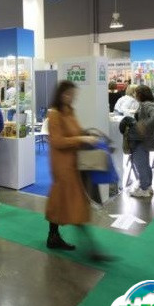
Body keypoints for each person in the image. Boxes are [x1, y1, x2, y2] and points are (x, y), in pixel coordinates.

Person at [44, 81, 108, 260]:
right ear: (61, 94)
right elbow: (57, 141)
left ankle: (53, 236)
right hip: (62, 165)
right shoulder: (54, 114)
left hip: (73, 163)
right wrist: (82, 139)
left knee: (62, 200)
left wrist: (87, 135)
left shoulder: (69, 111)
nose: (72, 97)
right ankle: (91, 247)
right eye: (69, 94)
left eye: (73, 94)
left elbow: (76, 131)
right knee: (74, 202)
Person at [127, 85, 154, 198]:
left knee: (140, 163)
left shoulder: (147, 105)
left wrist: (144, 125)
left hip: (142, 139)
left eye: (135, 93)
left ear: (140, 94)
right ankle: (147, 186)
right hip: (145, 139)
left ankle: (145, 188)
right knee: (144, 163)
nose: (134, 95)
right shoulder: (146, 104)